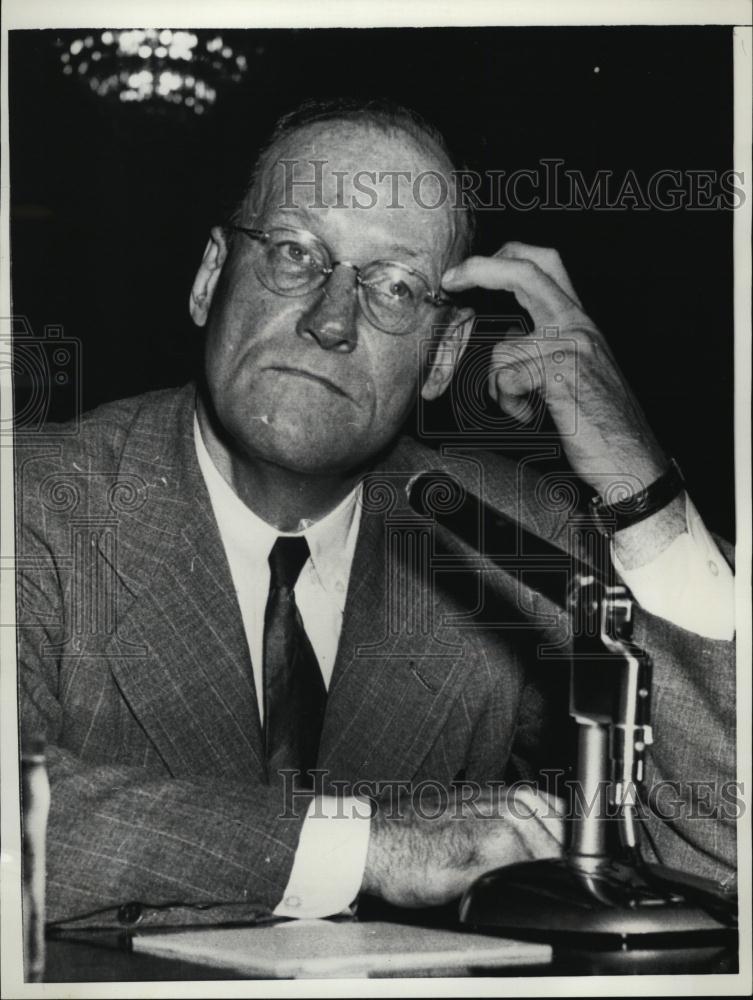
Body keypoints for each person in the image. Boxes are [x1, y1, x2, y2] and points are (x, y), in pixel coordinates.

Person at [15, 99, 736, 927]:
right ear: (210, 276)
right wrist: (371, 845)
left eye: (393, 286)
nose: (330, 320)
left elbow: (726, 842)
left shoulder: (502, 538)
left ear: (444, 354)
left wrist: (638, 483)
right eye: (293, 253)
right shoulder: (35, 502)